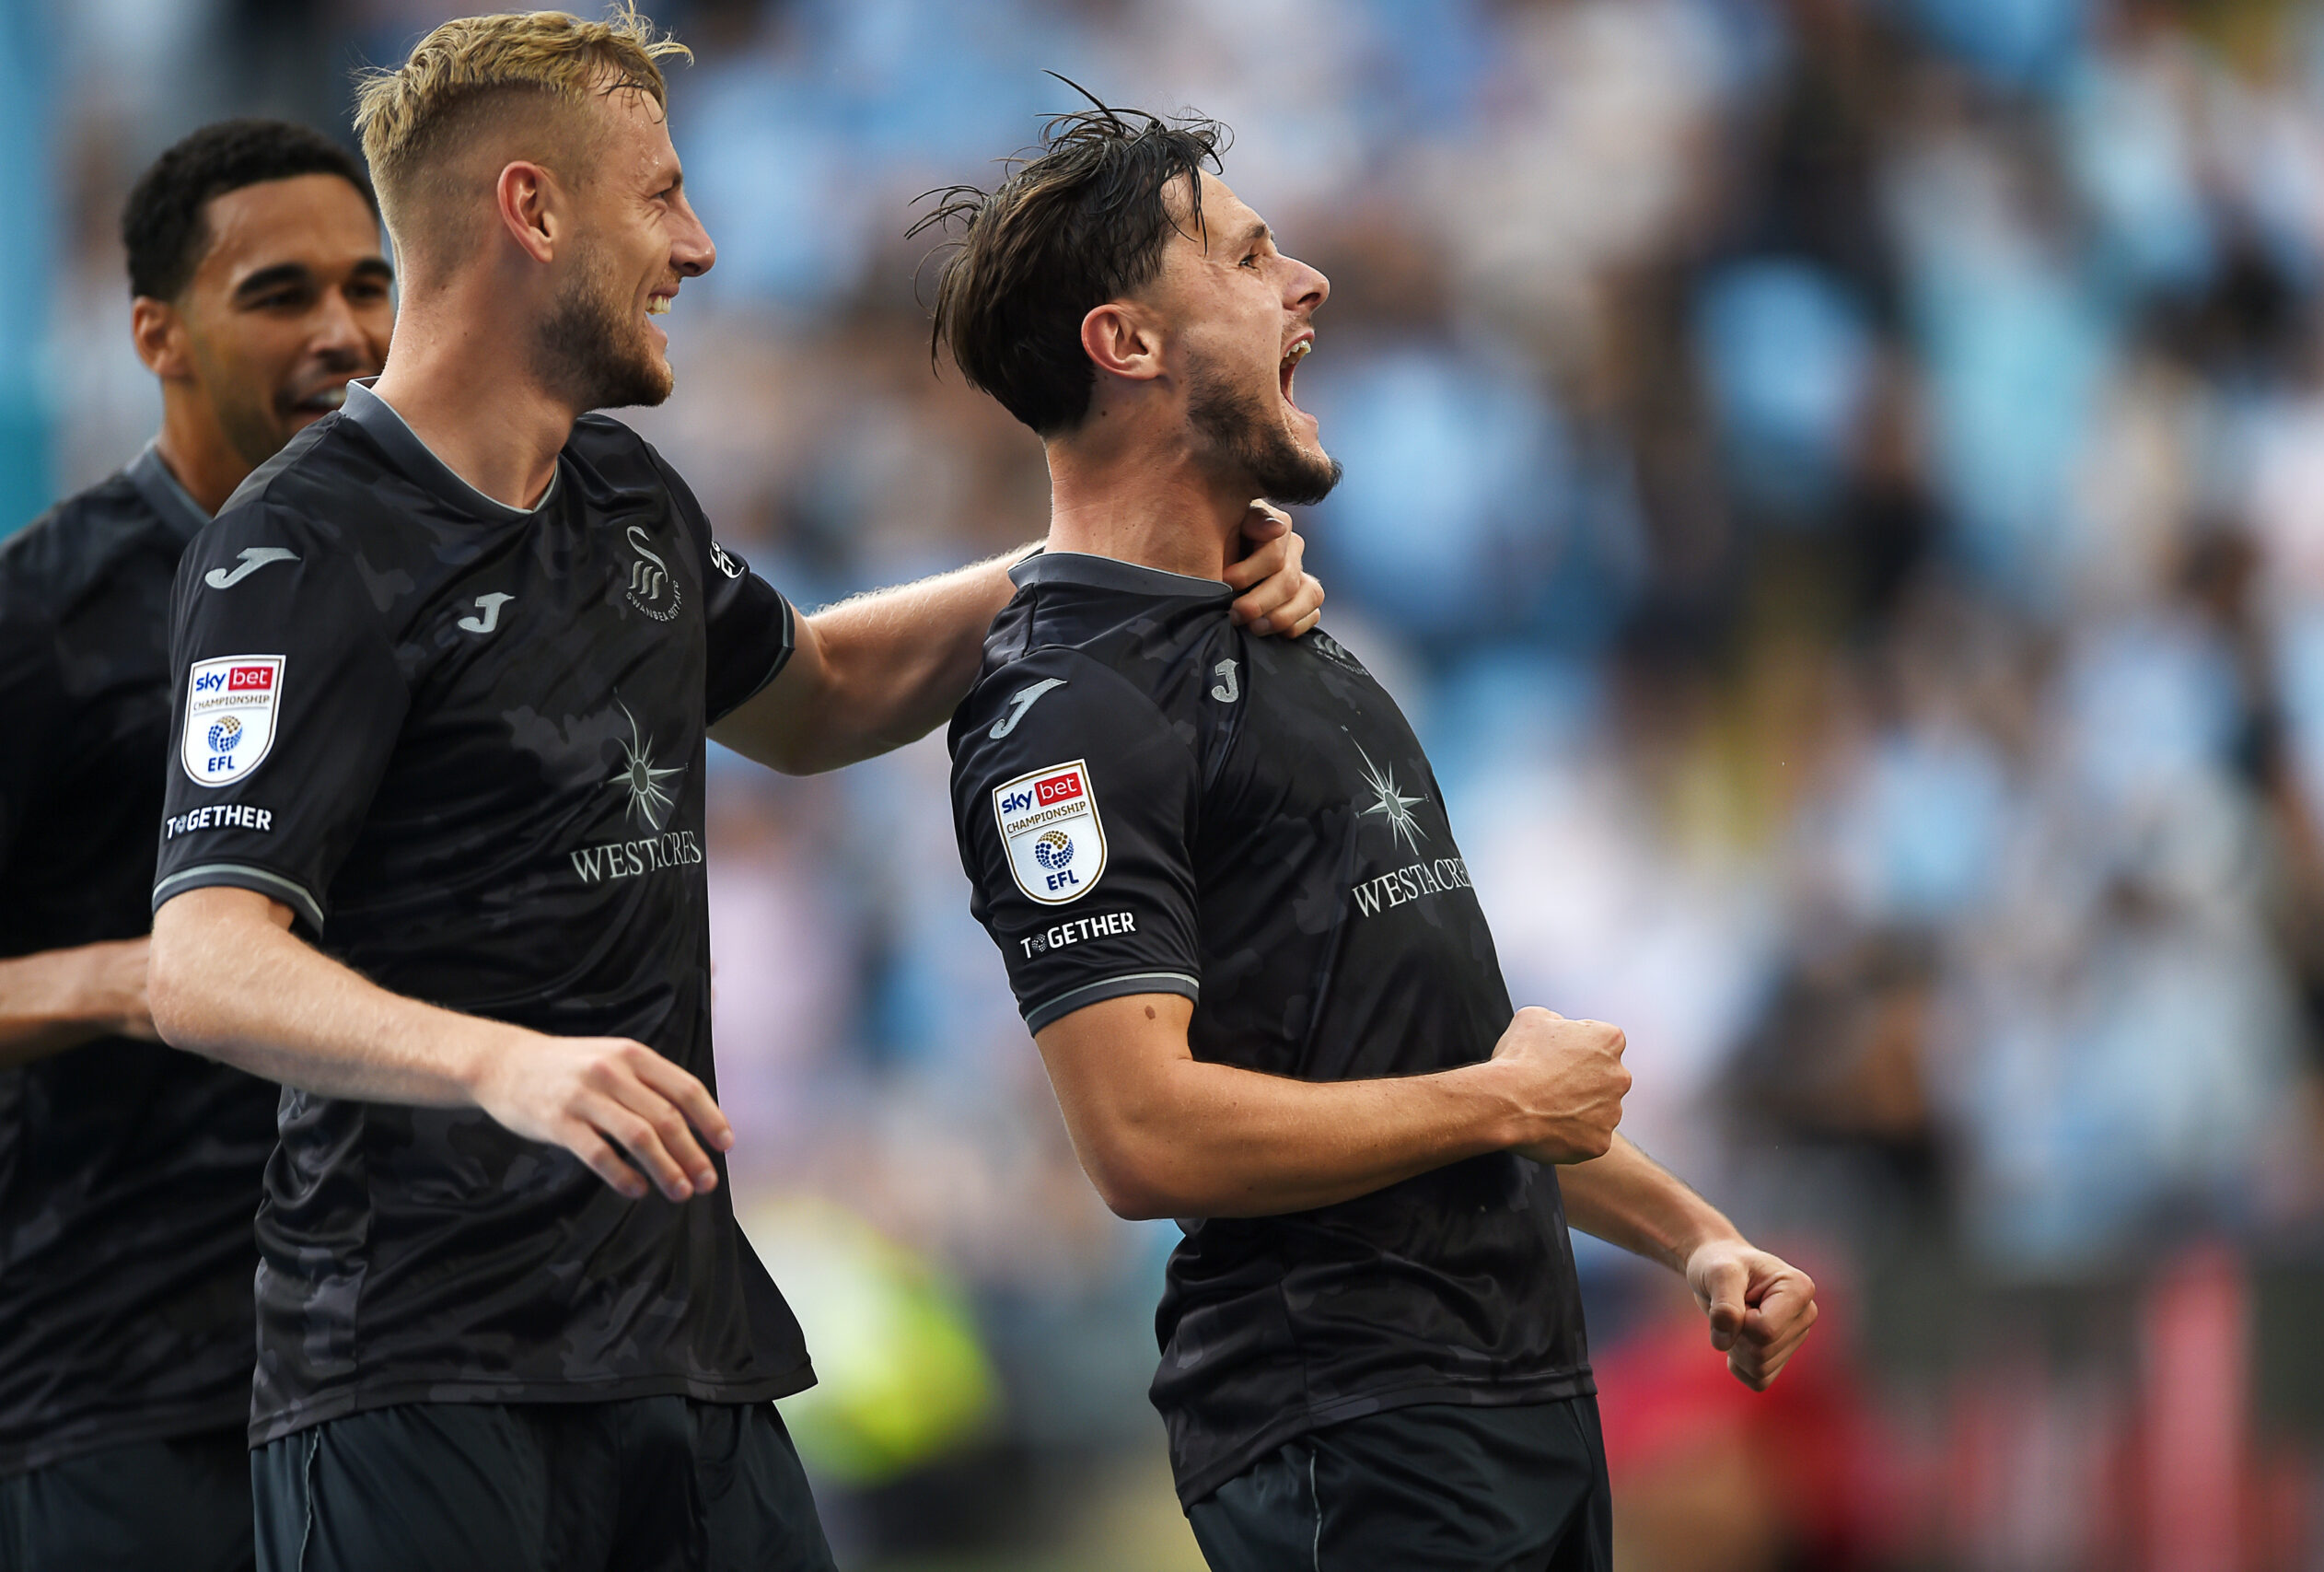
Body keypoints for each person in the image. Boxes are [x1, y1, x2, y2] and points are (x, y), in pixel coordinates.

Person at [142, 13, 1319, 1571]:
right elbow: (203, 961)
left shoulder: (624, 494)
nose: (696, 246)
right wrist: (505, 1066)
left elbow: (819, 695)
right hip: (417, 1374)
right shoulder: (301, 550)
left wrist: (1119, 564)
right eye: (661, 196)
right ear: (532, 210)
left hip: (682, 1355)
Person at [925, 102, 1821, 1571]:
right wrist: (1504, 1109)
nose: (1311, 281)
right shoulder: (1063, 714)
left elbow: (1448, 1066)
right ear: (1127, 343)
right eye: (1248, 253)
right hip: (1348, 1430)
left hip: (1511, 1401)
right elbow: (1143, 1136)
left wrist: (1692, 1235)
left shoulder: (1293, 631)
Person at [0, 119, 391, 1571]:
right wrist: (144, 976)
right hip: (125, 1391)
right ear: (157, 334)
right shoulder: (44, 617)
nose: (345, 333)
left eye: (369, 285)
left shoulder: (438, 567)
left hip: (399, 1358)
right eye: (282, 294)